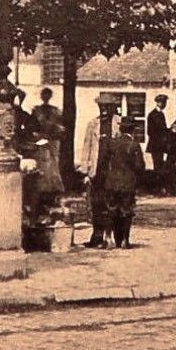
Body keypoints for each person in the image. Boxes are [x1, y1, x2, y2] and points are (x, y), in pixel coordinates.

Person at [100, 120, 147, 248]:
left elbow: (103, 162)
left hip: (112, 181)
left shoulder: (112, 143)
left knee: (111, 209)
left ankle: (109, 238)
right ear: (133, 130)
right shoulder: (134, 145)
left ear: (121, 129)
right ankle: (125, 240)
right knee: (126, 211)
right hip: (128, 183)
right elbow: (139, 166)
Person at [78, 105, 118, 248]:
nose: (104, 110)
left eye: (107, 107)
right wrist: (85, 171)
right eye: (102, 107)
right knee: (96, 204)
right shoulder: (92, 124)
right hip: (96, 171)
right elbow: (86, 147)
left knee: (111, 204)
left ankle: (110, 237)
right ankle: (97, 235)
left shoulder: (118, 124)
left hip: (112, 171)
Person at [146, 94, 172, 191]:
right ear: (159, 102)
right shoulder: (152, 115)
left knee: (160, 166)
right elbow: (151, 131)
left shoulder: (161, 114)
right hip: (156, 145)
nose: (164, 104)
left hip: (160, 145)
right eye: (163, 102)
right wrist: (166, 131)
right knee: (157, 166)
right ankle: (157, 188)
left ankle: (160, 187)